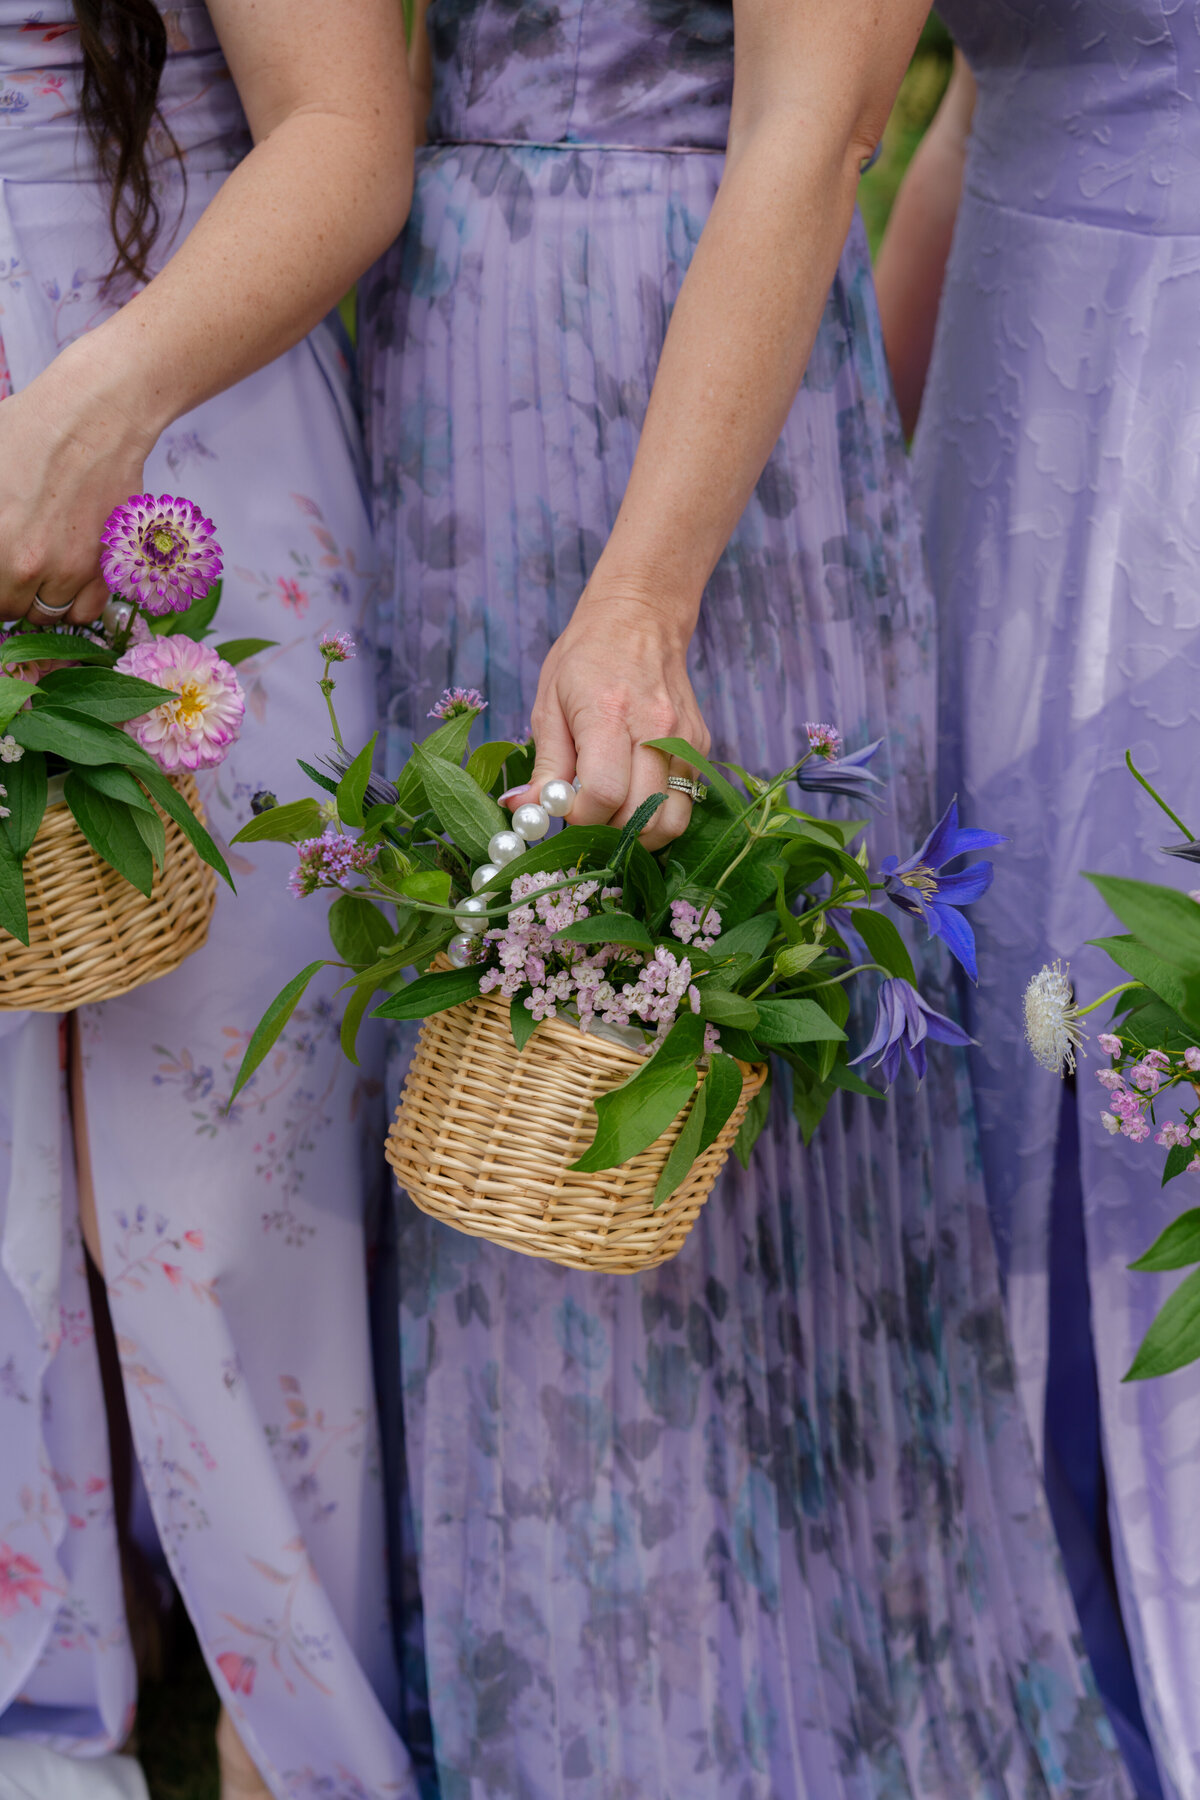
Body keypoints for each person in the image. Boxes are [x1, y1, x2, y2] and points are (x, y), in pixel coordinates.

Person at [360, 2, 1131, 1793]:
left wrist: (644, 593)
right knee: (498, 1084)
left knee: (720, 1088)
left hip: (695, 381)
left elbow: (817, 125)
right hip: (445, 359)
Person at [0, 3, 422, 1795]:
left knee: (218, 1180)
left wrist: (92, 409)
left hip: (163, 420)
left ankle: (294, 1736)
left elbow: (346, 126)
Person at [876, 6, 1200, 1796]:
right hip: (1001, 432)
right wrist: (848, 469)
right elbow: (970, 110)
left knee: (1157, 1057)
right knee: (997, 1022)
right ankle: (1042, 1638)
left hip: (1176, 421)